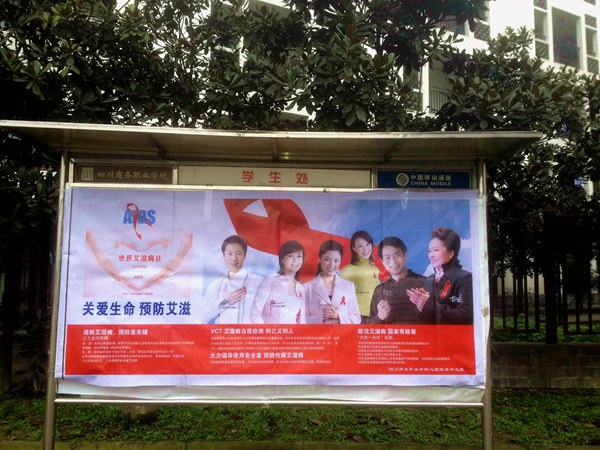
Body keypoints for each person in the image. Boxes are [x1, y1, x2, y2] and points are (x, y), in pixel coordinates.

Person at [407, 227, 473, 325]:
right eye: (429, 251)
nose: (431, 255)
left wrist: (427, 304)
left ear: (450, 253)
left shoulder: (464, 278)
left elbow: (465, 317)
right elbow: (420, 317)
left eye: (436, 250)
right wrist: (420, 305)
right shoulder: (430, 279)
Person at [201, 235, 263, 324]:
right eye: (230, 253)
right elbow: (202, 316)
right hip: (221, 332)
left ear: (245, 256)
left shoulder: (258, 282)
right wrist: (225, 301)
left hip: (248, 332)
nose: (234, 258)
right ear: (224, 255)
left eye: (238, 253)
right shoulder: (215, 284)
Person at [368, 236, 425, 324]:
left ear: (405, 255)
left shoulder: (424, 283)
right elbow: (370, 327)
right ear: (382, 261)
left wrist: (425, 309)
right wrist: (379, 317)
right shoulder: (379, 290)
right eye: (387, 258)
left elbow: (439, 322)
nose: (393, 261)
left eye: (397, 255)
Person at [304, 240, 361, 324]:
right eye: (327, 259)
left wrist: (338, 315)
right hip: (318, 333)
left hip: (341, 332)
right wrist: (320, 318)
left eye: (336, 260)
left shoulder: (348, 286)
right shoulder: (307, 288)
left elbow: (356, 318)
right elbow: (301, 320)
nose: (331, 265)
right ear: (320, 259)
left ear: (340, 261)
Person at [250, 240, 307, 324]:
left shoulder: (300, 288)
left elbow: (302, 321)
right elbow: (255, 313)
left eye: (299, 256)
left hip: (293, 332)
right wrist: (267, 332)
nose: (295, 260)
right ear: (282, 259)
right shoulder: (271, 280)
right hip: (272, 332)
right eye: (290, 256)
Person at [339, 231, 381, 321]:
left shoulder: (375, 269)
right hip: (358, 316)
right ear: (354, 248)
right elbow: (339, 296)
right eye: (360, 246)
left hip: (376, 315)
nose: (365, 249)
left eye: (367, 244)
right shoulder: (348, 270)